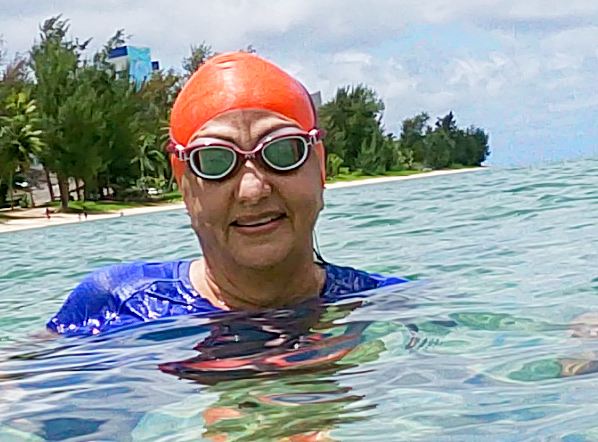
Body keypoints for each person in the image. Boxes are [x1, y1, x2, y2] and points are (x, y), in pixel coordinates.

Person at [49, 52, 397, 334]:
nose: (252, 190)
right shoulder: (119, 305)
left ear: (319, 166)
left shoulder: (388, 308)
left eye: (282, 152)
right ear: (183, 183)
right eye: (214, 161)